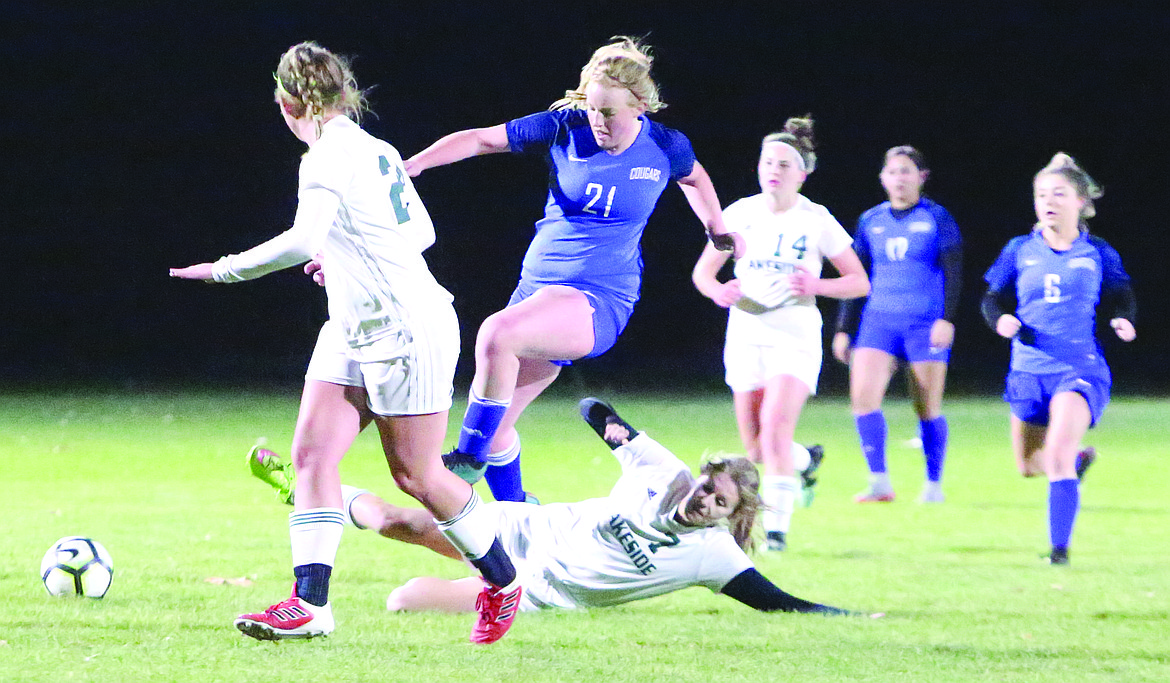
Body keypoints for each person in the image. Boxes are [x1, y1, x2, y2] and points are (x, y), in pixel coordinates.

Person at [169, 41, 521, 644]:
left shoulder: (327, 155)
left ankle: (504, 581)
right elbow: (422, 231)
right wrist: (347, 253)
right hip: (354, 326)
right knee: (310, 455)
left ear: (287, 103)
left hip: (406, 328)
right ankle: (311, 606)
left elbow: (304, 239)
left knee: (416, 475)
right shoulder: (375, 147)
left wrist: (224, 268)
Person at [401, 36, 741, 505]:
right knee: (498, 426)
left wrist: (716, 228)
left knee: (496, 335)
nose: (598, 121)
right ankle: (519, 516)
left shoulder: (665, 146)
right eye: (593, 108)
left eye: (610, 113)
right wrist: (414, 165)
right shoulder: (564, 127)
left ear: (640, 105)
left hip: (598, 298)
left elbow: (695, 178)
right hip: (536, 292)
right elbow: (481, 139)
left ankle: (466, 460)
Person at [251, 398, 859, 616]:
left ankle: (320, 497)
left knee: (402, 601)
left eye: (717, 500)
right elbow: (591, 405)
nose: (702, 499)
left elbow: (781, 604)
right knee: (395, 521)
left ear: (731, 516)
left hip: (537, 588)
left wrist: (852, 617)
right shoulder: (664, 471)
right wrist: (617, 428)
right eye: (706, 486)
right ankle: (310, 492)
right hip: (522, 528)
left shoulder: (715, 557)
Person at [692, 117, 870, 551]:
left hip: (795, 331)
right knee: (755, 448)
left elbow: (859, 281)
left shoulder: (816, 219)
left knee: (774, 428)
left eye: (784, 164)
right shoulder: (738, 214)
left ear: (802, 173)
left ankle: (776, 535)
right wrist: (719, 291)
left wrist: (818, 286)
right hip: (746, 332)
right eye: (767, 161)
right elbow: (703, 273)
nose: (773, 169)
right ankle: (806, 460)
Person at [981, 153, 1136, 565]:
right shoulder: (1019, 249)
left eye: (1058, 194)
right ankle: (1078, 462)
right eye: (1041, 194)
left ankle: (1059, 552)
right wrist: (1001, 321)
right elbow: (992, 298)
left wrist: (1123, 318)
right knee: (1030, 466)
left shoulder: (1098, 251)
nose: (1048, 201)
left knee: (1057, 455)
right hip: (1028, 369)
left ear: (1081, 201)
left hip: (1078, 368)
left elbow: (1122, 294)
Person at [831, 146, 963, 504]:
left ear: (922, 177)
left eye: (907, 171)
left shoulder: (938, 218)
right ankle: (879, 483)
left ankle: (933, 485)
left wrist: (946, 319)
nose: (900, 179)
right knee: (862, 399)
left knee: (927, 407)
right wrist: (845, 327)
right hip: (878, 323)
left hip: (924, 324)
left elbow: (954, 271)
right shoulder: (870, 220)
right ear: (883, 178)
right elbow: (855, 275)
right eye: (893, 172)